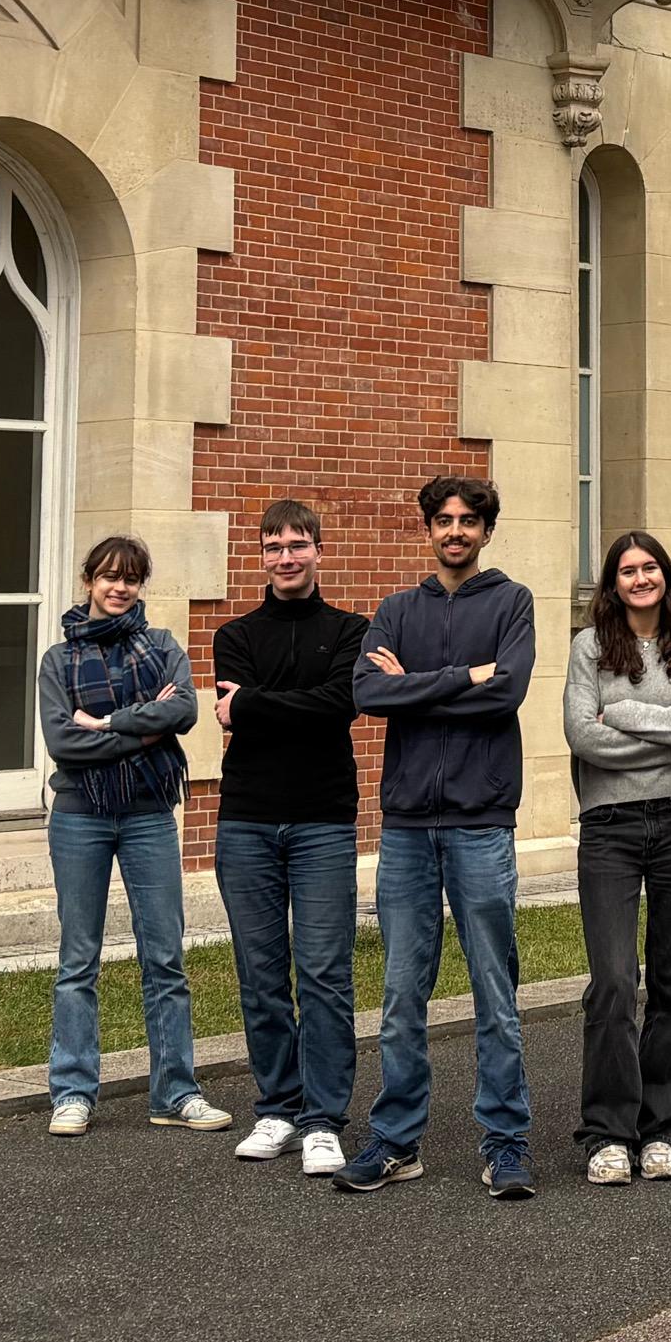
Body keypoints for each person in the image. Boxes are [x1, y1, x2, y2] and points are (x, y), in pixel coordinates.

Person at [345, 473, 540, 1199]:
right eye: (443, 520)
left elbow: (509, 691)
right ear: (427, 529)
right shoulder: (396, 609)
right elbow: (368, 693)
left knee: (495, 992)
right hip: (405, 831)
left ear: (486, 531)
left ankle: (507, 1142)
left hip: (481, 823)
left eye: (468, 521)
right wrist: (465, 676)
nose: (455, 531)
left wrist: (421, 684)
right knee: (401, 996)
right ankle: (396, 1142)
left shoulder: (512, 602)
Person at [37, 535, 232, 1138]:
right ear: (89, 580)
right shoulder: (57, 660)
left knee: (165, 957)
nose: (119, 588)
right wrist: (143, 731)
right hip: (79, 814)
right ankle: (72, 1092)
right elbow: (63, 745)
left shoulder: (164, 646)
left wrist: (106, 722)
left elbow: (184, 714)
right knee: (78, 959)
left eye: (130, 579)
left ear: (141, 584)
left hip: (149, 811)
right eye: (108, 577)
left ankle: (176, 1092)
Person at [209, 499, 369, 1179]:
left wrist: (250, 702)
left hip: (324, 822)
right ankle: (277, 1107)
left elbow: (341, 705)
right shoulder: (234, 634)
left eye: (297, 544)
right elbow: (310, 707)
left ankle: (324, 1120)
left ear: (318, 551)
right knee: (262, 975)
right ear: (262, 557)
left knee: (326, 975)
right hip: (246, 820)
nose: (285, 557)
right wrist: (289, 706)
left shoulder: (351, 630)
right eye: (273, 546)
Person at [563, 529, 671, 1187]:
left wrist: (622, 714)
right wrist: (665, 730)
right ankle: (607, 1131)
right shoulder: (590, 649)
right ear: (613, 582)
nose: (639, 578)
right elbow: (581, 734)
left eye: (649, 567)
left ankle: (659, 1128)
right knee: (610, 978)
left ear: (665, 576)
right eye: (627, 570)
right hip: (609, 826)